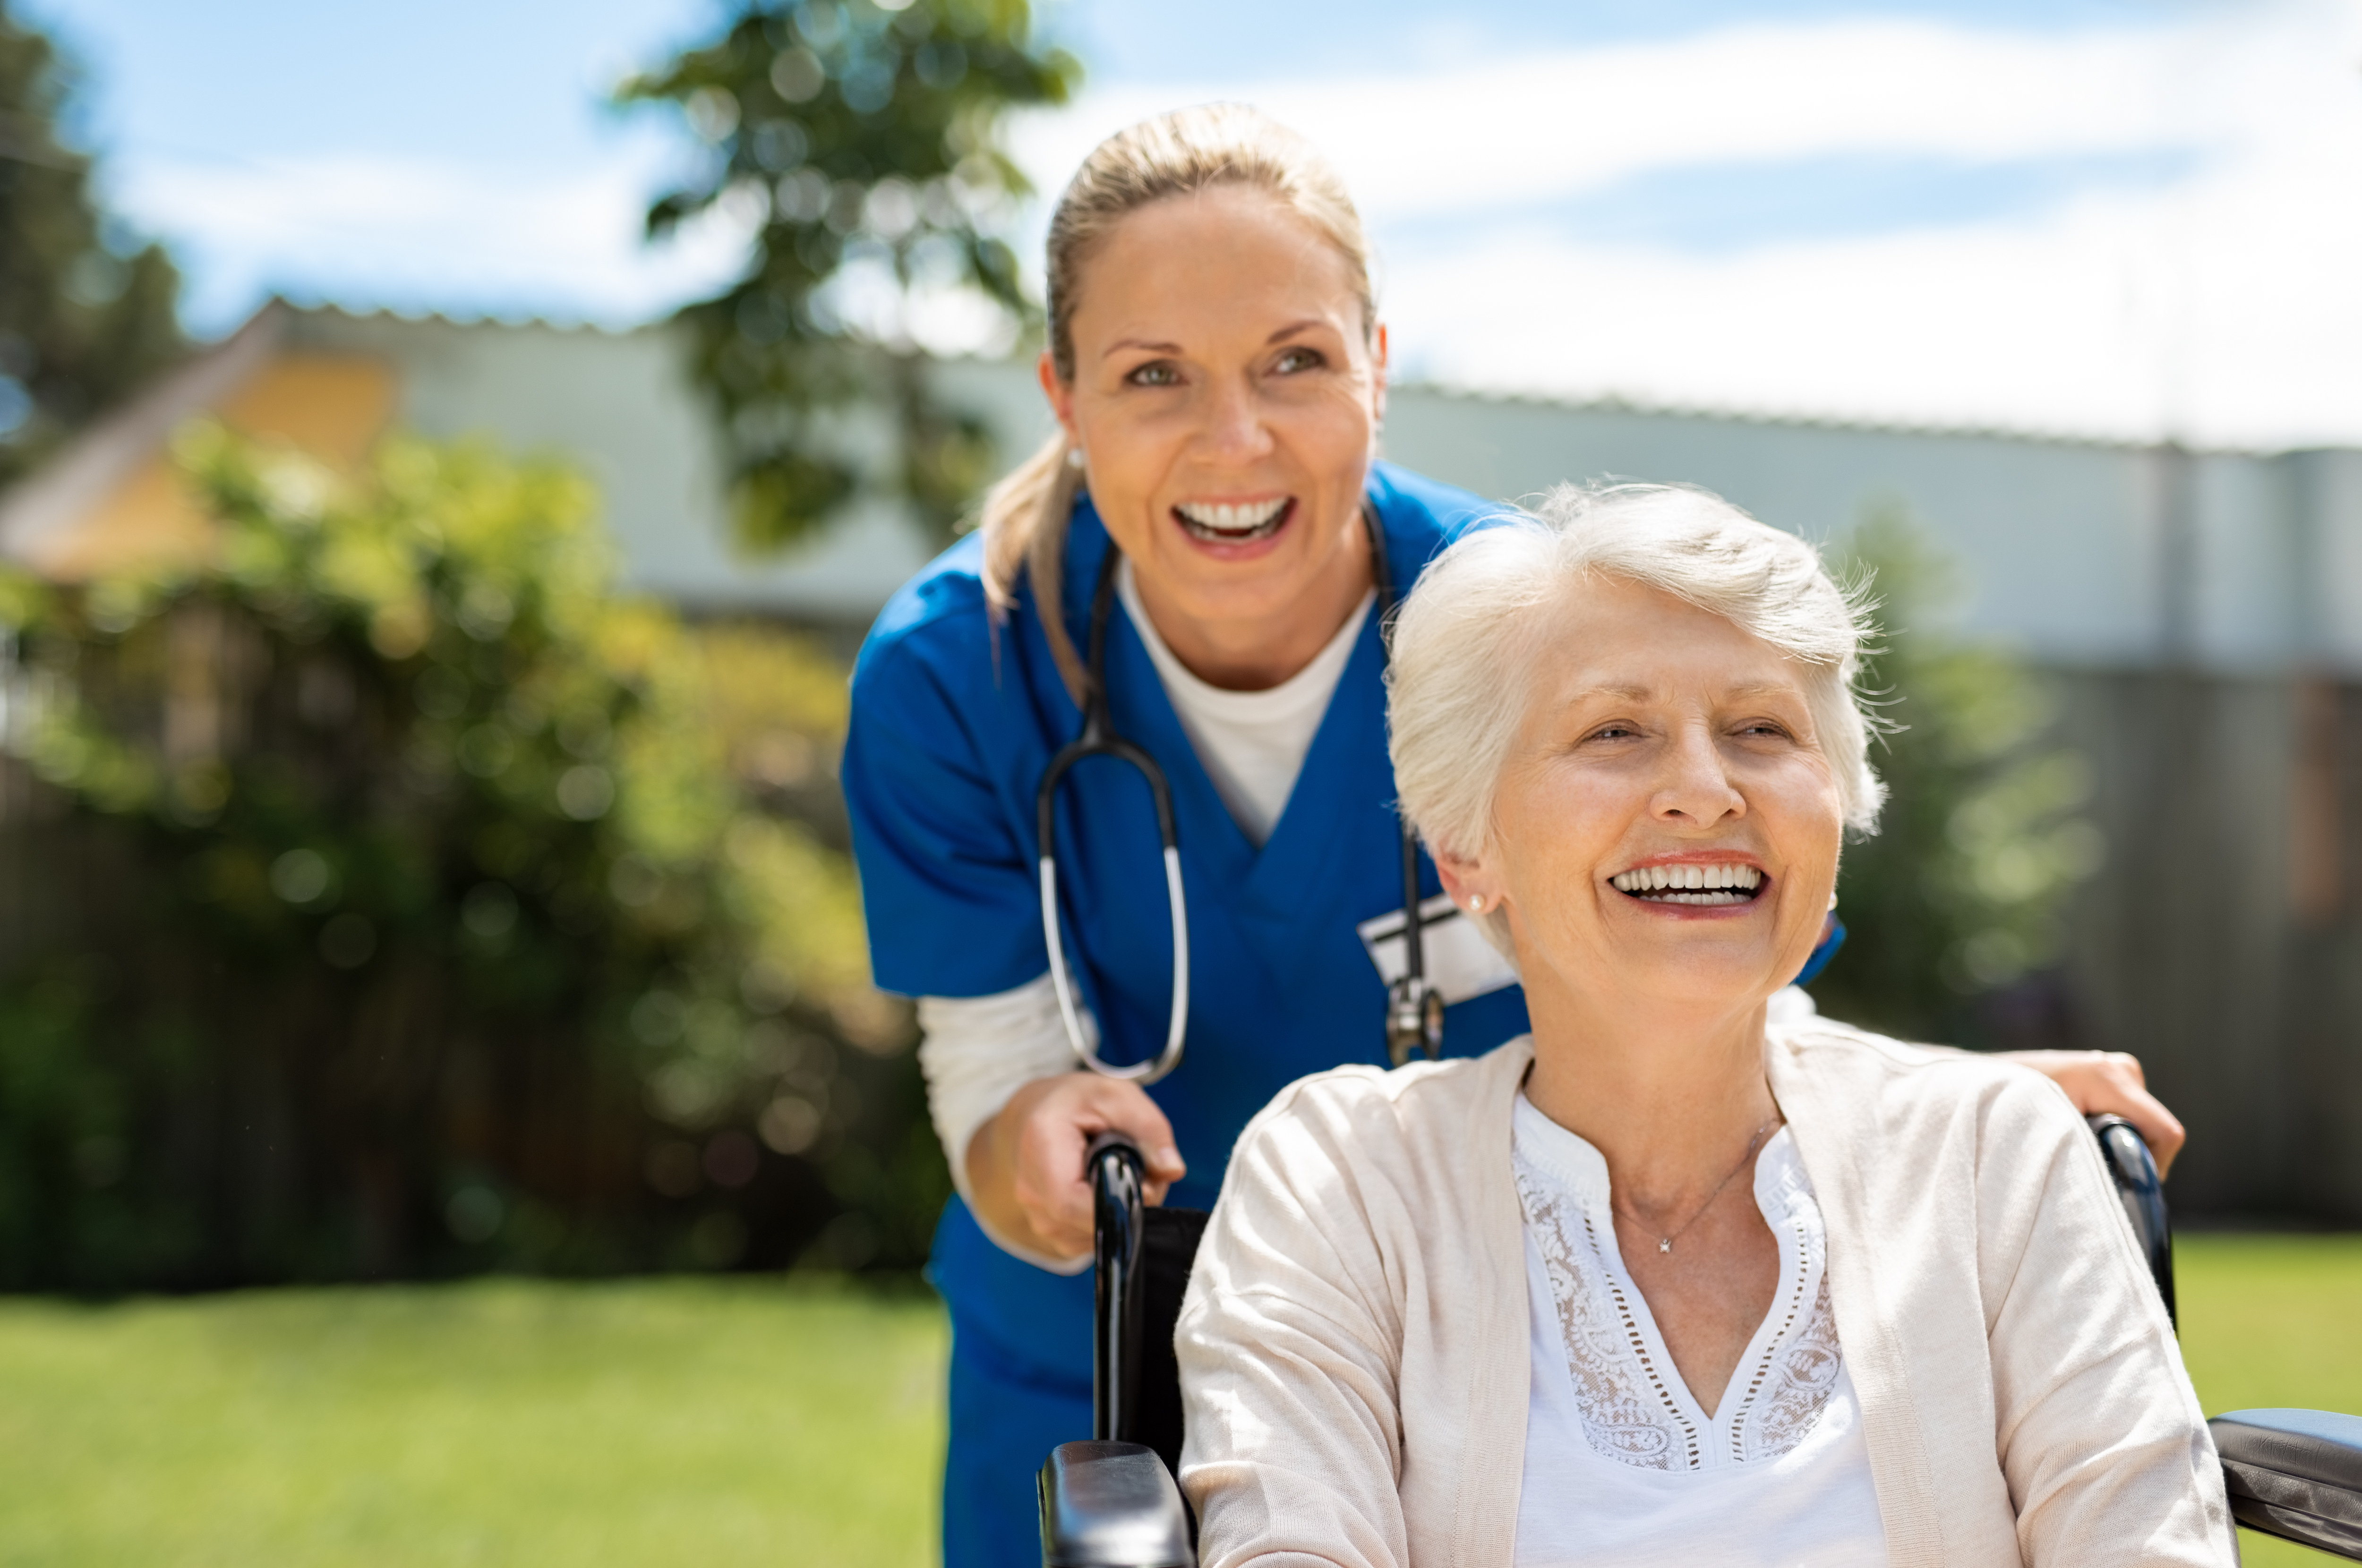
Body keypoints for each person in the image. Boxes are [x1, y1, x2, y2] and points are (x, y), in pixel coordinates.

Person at [840, 105, 2188, 1566]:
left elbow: (1712, 932)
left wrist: (1943, 1132)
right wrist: (1028, 1147)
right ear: (1065, 396)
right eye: (1153, 376)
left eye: (1296, 360)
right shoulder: (951, 678)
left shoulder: (1529, 634)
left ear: (1377, 368)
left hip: (1481, 1314)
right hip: (1097, 1333)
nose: (1236, 438)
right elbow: (988, 1070)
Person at [1174, 484, 2232, 1567]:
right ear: (1464, 850)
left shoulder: (1990, 1150)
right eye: (1615, 729)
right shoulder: (1338, 1178)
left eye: (1760, 729)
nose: (1703, 788)